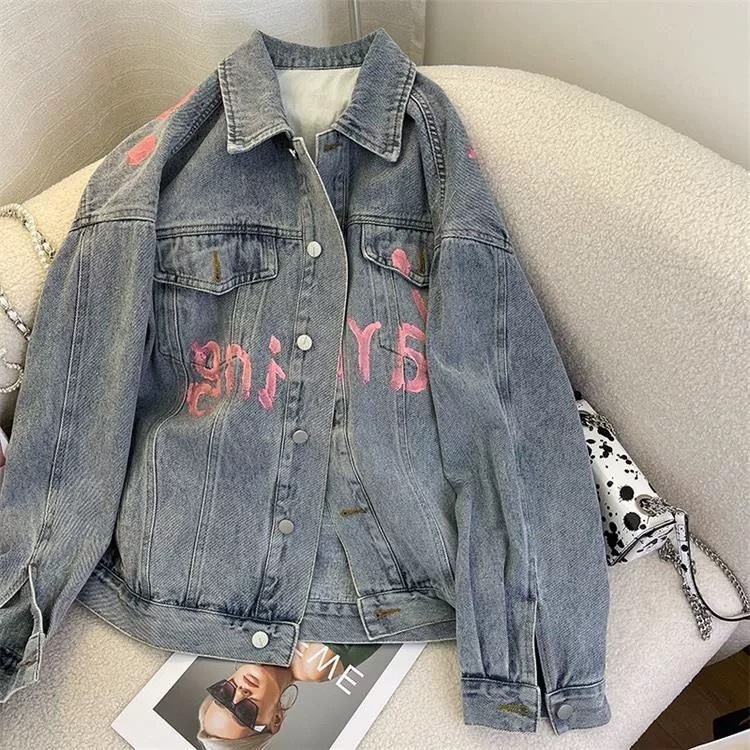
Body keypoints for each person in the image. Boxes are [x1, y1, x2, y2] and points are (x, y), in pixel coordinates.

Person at [196, 642, 379, 749]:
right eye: (244, 713)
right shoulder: (315, 666)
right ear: (275, 720)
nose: (239, 693)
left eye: (224, 695)